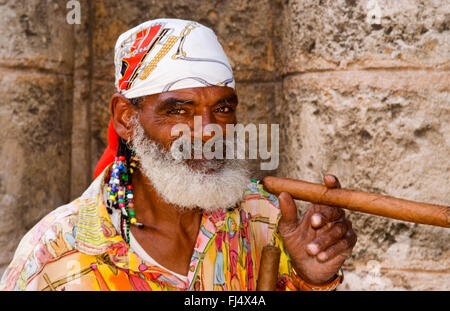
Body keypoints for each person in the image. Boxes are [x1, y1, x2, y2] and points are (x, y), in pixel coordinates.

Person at [0, 18, 356, 291]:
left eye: (223, 108)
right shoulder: (54, 255)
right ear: (126, 118)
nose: (207, 130)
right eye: (179, 111)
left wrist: (309, 277)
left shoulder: (267, 221)